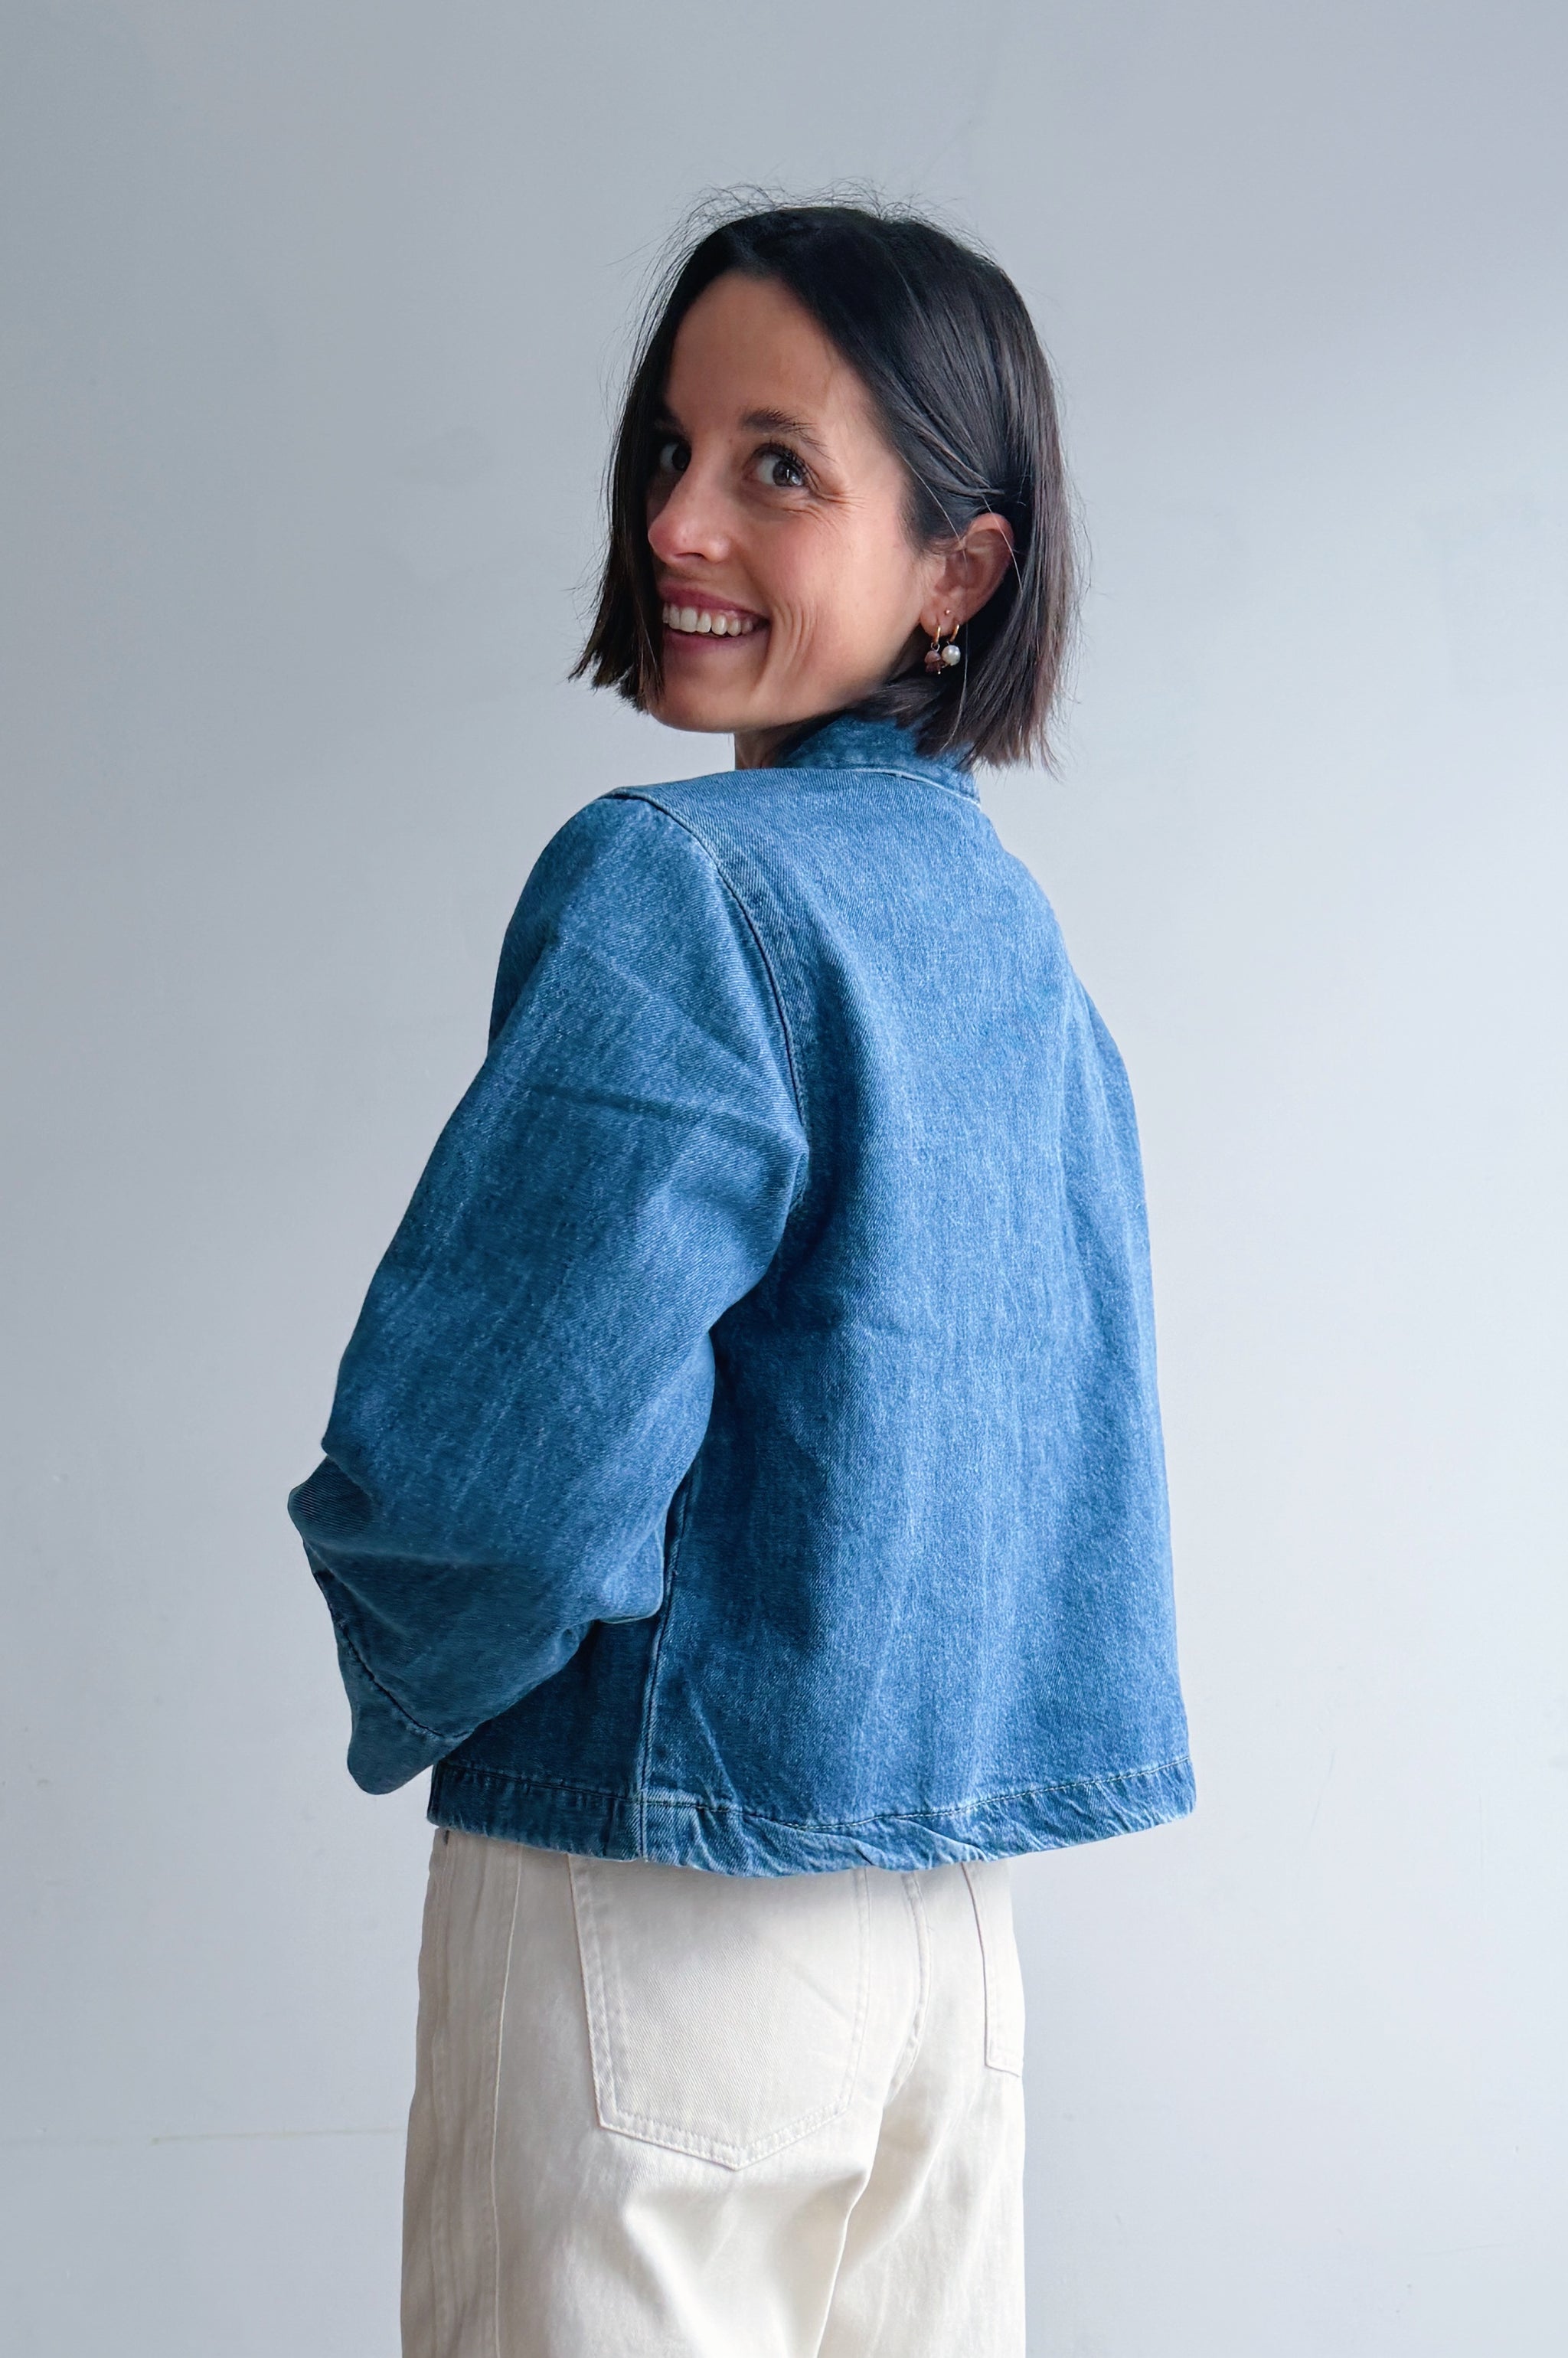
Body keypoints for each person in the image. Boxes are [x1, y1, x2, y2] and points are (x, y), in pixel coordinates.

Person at [289, 200, 1192, 2358]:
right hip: (941, 1940)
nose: (681, 523)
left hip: (657, 1904)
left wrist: (407, 1666)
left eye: (779, 467)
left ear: (959, 570)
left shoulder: (674, 885)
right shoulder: (1000, 924)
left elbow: (490, 1478)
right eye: (669, 452)